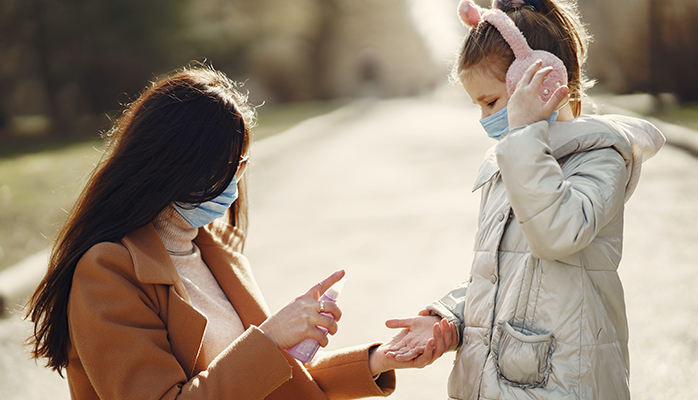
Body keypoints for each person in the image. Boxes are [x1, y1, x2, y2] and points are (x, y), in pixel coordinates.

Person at [25, 64, 449, 400]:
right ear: (167, 164)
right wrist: (270, 337)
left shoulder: (215, 251)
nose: (231, 183)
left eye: (239, 166)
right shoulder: (108, 272)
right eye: (220, 168)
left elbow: (265, 381)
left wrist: (376, 361)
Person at [382, 0, 665, 399]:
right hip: (501, 383)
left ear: (542, 83)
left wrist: (522, 139)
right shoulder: (513, 159)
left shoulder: (599, 158)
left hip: (563, 384)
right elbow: (503, 275)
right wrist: (449, 318)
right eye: (478, 105)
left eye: (492, 103)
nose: (484, 119)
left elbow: (556, 235)